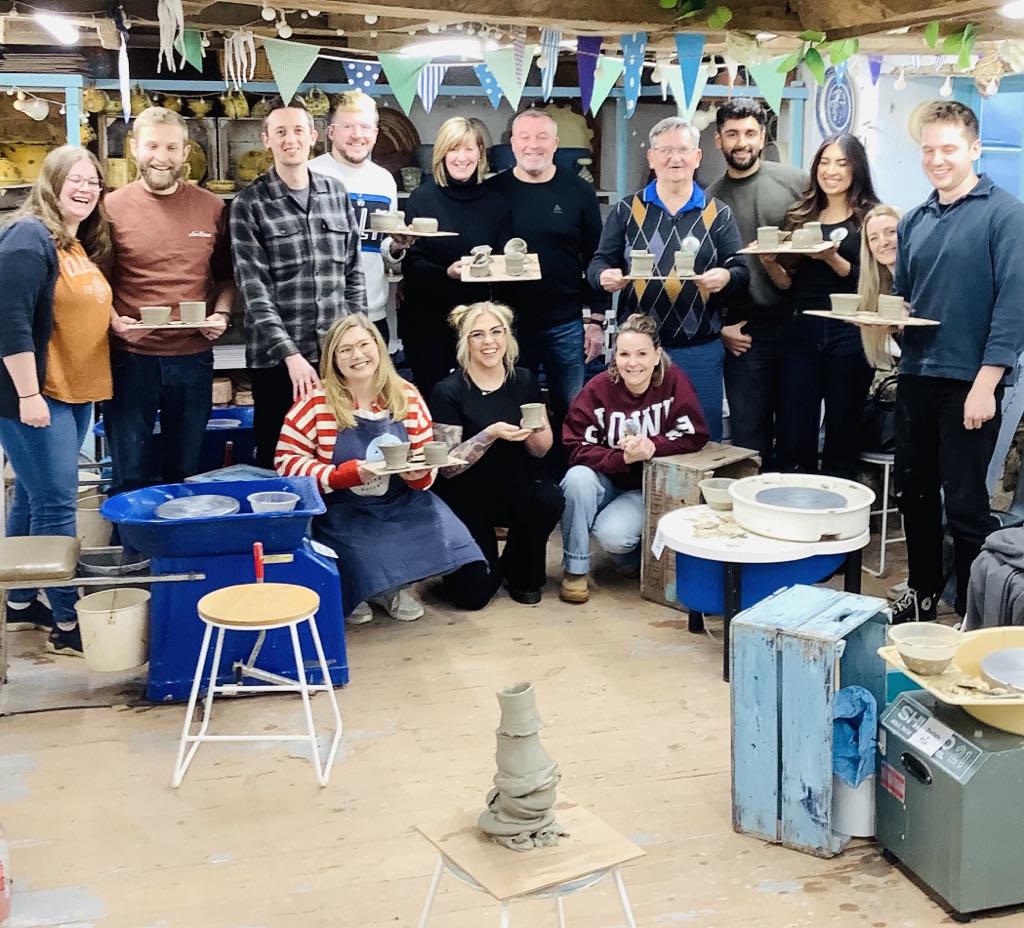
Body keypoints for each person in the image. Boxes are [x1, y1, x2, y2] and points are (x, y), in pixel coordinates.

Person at [890, 101, 1024, 622]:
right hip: (916, 374)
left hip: (970, 381)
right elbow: (907, 299)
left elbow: (1013, 309)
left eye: (949, 149)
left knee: (966, 503)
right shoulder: (915, 219)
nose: (937, 159)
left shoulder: (1006, 215)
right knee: (914, 491)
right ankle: (923, 592)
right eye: (929, 149)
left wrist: (986, 383)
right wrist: (887, 321)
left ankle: (976, 612)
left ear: (974, 149)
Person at [275, 314, 487, 623]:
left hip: (399, 501)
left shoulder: (406, 395)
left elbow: (424, 453)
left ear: (379, 346)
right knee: (361, 549)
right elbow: (286, 463)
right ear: (332, 359)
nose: (357, 355)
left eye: (364, 344)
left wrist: (419, 476)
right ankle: (355, 589)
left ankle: (394, 589)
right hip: (342, 506)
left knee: (446, 534)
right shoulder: (314, 401)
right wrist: (342, 475)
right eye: (345, 350)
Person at [0, 146, 114, 655]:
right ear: (51, 182)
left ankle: (20, 601)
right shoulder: (28, 238)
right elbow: (10, 322)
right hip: (38, 393)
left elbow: (73, 306)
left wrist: (117, 322)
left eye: (94, 181)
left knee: (29, 494)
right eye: (76, 179)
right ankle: (69, 623)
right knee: (55, 503)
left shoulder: (71, 242)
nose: (87, 188)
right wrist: (28, 394)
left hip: (72, 388)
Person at [588, 116, 749, 442]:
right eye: (665, 151)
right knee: (634, 437)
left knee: (701, 438)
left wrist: (725, 276)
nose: (675, 159)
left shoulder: (718, 213)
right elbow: (598, 263)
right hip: (637, 351)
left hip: (699, 349)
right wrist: (604, 275)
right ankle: (642, 494)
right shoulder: (626, 211)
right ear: (651, 157)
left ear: (697, 157)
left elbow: (741, 270)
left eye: (683, 150)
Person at [103, 107, 234, 496]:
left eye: (171, 147)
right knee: (130, 472)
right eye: (152, 146)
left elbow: (226, 277)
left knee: (186, 469)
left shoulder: (211, 207)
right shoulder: (109, 208)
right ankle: (133, 552)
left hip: (192, 357)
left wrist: (222, 314)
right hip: (130, 356)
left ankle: (179, 554)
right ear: (133, 149)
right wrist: (112, 319)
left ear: (185, 152)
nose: (162, 157)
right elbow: (94, 281)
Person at [231, 96, 366, 469]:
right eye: (280, 132)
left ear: (314, 136)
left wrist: (356, 339)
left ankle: (331, 528)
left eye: (297, 130)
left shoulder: (336, 194)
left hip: (334, 356)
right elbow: (253, 287)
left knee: (337, 454)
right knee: (279, 457)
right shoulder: (249, 203)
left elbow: (352, 274)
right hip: (277, 363)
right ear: (266, 139)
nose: (290, 139)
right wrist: (291, 355)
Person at [559, 314, 709, 604]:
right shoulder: (599, 389)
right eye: (624, 354)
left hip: (646, 487)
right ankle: (575, 569)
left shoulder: (674, 381)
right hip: (605, 479)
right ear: (615, 357)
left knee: (613, 536)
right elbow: (574, 444)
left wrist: (653, 446)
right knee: (577, 478)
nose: (633, 363)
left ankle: (630, 557)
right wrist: (622, 457)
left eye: (642, 354)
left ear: (657, 355)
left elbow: (696, 434)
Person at [430, 302, 564, 606]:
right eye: (478, 335)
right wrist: (490, 433)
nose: (489, 342)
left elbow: (541, 451)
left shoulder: (525, 379)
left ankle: (518, 566)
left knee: (549, 498)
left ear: (507, 336)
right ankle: (474, 569)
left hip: (515, 482)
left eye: (496, 332)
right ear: (466, 342)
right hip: (465, 492)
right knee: (473, 596)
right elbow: (447, 468)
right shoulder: (448, 390)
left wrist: (537, 430)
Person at [487, 109, 609, 433]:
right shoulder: (492, 192)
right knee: (512, 412)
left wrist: (596, 321)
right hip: (507, 326)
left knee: (572, 413)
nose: (533, 146)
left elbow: (597, 258)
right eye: (524, 137)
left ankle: (570, 478)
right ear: (512, 143)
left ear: (555, 143)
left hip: (566, 325)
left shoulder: (580, 192)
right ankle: (525, 480)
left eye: (542, 137)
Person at [766, 133, 878, 479]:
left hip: (850, 331)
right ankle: (794, 503)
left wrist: (833, 260)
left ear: (856, 168)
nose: (832, 171)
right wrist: (770, 262)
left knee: (843, 428)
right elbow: (788, 283)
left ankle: (838, 508)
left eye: (842, 163)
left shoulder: (870, 218)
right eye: (825, 162)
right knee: (793, 425)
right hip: (802, 327)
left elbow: (877, 280)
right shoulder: (801, 214)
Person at [706, 99, 807, 463]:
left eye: (750, 133)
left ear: (763, 136)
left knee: (798, 431)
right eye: (732, 134)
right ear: (718, 140)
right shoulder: (710, 200)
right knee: (748, 439)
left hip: (800, 327)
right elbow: (703, 277)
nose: (741, 142)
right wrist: (720, 328)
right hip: (744, 334)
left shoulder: (798, 183)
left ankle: (796, 513)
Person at [399, 117, 512, 399]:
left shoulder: (496, 203)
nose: (461, 158)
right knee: (435, 401)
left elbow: (503, 266)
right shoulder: (421, 198)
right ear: (441, 154)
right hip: (427, 323)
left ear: (480, 154)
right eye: (453, 150)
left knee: (479, 400)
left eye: (469, 150)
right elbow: (411, 264)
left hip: (479, 326)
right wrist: (446, 273)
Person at [308, 90, 407, 347]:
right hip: (320, 317)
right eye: (347, 126)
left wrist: (397, 245)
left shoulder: (383, 180)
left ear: (375, 133)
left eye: (364, 127)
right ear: (331, 132)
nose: (357, 134)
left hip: (372, 313)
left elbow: (382, 247)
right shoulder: (310, 174)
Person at [857, 204, 902, 370]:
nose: (883, 242)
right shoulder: (875, 293)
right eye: (873, 238)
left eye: (891, 232)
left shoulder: (928, 284)